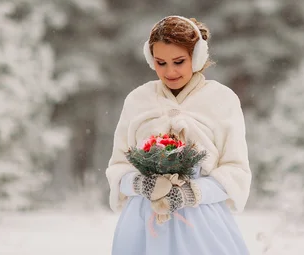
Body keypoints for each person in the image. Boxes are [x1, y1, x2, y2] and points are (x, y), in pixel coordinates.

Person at [105, 15, 252, 255]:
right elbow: (119, 166)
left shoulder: (223, 100)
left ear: (197, 57)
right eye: (160, 63)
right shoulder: (137, 100)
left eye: (179, 61)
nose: (169, 71)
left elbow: (235, 172)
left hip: (202, 223)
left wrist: (190, 192)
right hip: (142, 223)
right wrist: (142, 184)